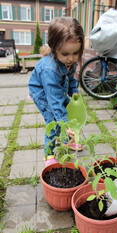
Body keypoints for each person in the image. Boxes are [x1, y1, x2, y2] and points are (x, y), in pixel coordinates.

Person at [28, 17, 84, 166]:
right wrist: (64, 123)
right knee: (53, 121)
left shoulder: (68, 60)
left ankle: (67, 141)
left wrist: (73, 92)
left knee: (70, 113)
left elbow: (71, 77)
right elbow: (55, 102)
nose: (71, 58)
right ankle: (49, 154)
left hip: (58, 90)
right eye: (65, 54)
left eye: (75, 53)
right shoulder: (49, 70)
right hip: (42, 94)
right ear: (54, 48)